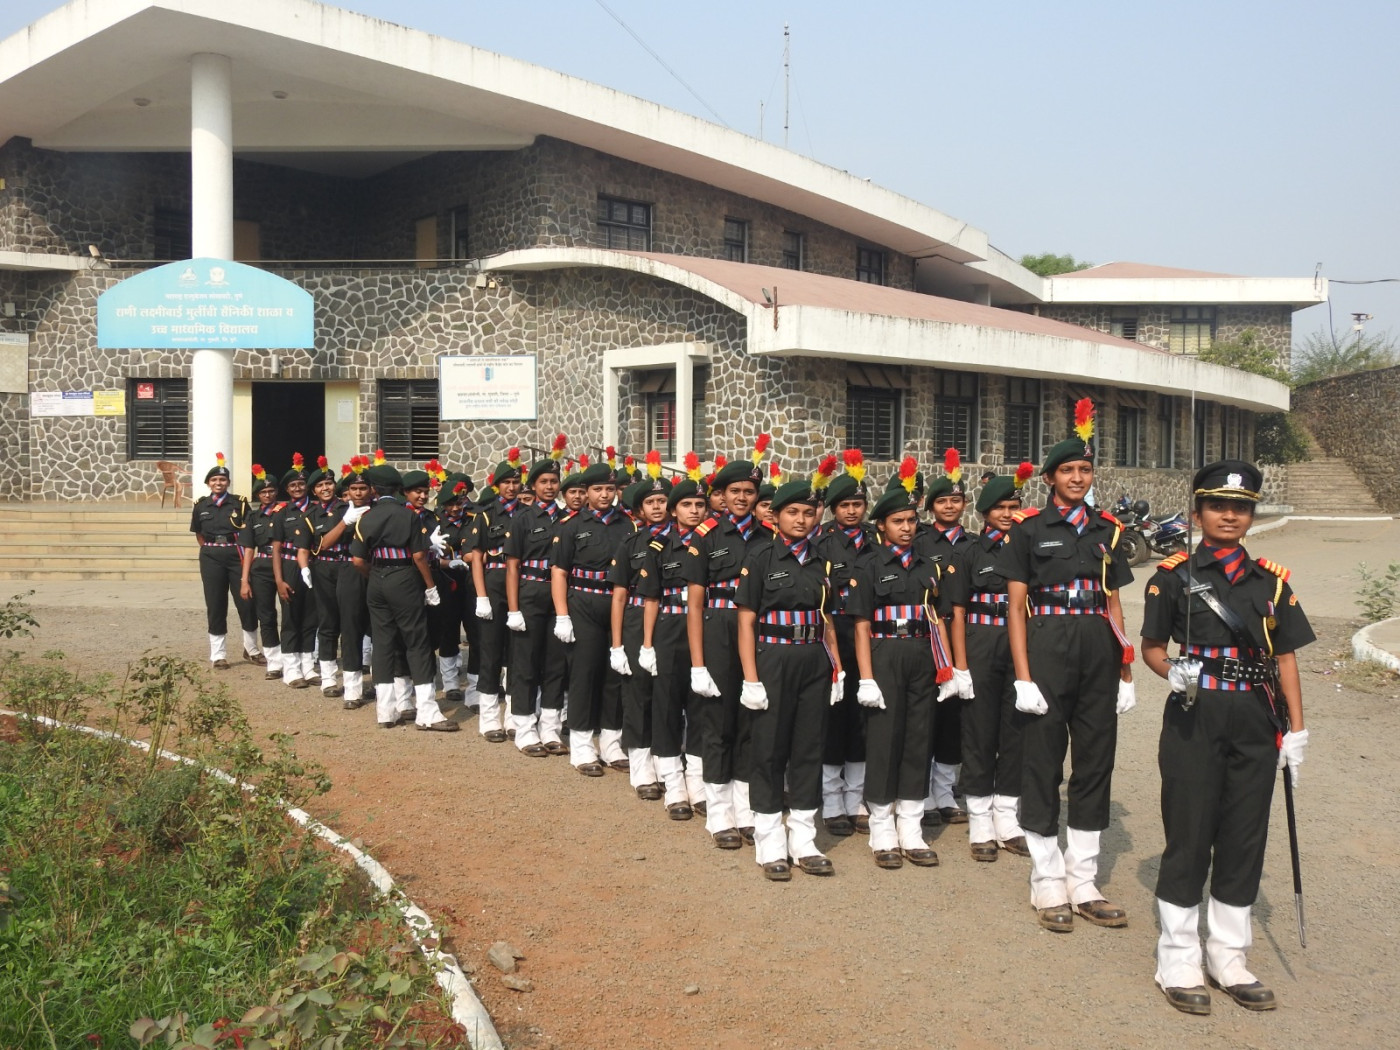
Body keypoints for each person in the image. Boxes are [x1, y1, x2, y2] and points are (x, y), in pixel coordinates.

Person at [1141, 460, 1313, 1015]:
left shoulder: (1272, 582)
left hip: (1257, 718)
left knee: (1244, 834)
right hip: (1196, 714)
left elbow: (1285, 659)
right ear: (1197, 514)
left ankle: (1228, 956)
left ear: (1251, 516)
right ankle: (1177, 957)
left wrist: (1297, 730)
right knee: (1190, 831)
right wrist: (1173, 671)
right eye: (1218, 506)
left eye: (1240, 507)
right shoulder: (1172, 577)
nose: (1230, 515)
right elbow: (1152, 648)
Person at [998, 399, 1136, 932]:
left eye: (1085, 469)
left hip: (1098, 647)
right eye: (1067, 470)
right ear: (1050, 478)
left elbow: (1114, 603)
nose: (1077, 477)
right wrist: (1023, 676)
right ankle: (1047, 879)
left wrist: (1125, 670)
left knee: (1096, 762)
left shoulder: (1108, 530)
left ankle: (1084, 880)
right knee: (1043, 761)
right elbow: (1015, 607)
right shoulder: (1029, 529)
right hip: (1048, 644)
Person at [735, 468, 843, 881]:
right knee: (769, 748)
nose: (801, 520)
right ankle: (769, 840)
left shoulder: (821, 560)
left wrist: (837, 668)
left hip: (813, 658)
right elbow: (746, 621)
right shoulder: (761, 558)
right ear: (776, 516)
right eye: (793, 512)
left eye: (808, 513)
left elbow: (827, 618)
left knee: (808, 747)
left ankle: (803, 839)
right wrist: (751, 677)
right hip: (774, 657)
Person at [848, 457, 955, 869]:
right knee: (884, 739)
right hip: (885, 652)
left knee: (918, 738)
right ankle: (881, 827)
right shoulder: (868, 566)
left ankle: (911, 826)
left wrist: (948, 669)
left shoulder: (930, 567)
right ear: (882, 526)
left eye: (911, 520)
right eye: (898, 521)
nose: (907, 527)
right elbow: (860, 626)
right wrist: (866, 677)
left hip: (921, 654)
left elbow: (938, 619)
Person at [682, 437, 776, 849]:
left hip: (756, 631)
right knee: (718, 723)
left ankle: (745, 809)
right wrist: (698, 664)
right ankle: (719, 813)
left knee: (750, 721)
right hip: (718, 628)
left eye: (749, 492)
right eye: (734, 491)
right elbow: (694, 603)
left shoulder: (769, 537)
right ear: (721, 495)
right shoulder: (705, 535)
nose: (741, 498)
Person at [947, 462, 1035, 861]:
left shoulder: (1029, 548)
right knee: (979, 732)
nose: (1007, 513)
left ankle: (1007, 818)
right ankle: (980, 820)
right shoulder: (968, 552)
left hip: (1019, 643)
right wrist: (960, 666)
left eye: (1013, 506)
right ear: (984, 512)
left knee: (1016, 730)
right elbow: (957, 611)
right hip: (981, 640)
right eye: (999, 507)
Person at [350, 461, 457, 732]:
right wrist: (430, 586)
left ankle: (386, 711)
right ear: (398, 489)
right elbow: (419, 556)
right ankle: (427, 711)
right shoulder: (408, 516)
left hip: (377, 578)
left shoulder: (365, 517)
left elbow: (358, 560)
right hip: (404, 577)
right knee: (417, 642)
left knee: (383, 642)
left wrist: (375, 576)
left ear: (374, 490)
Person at [638, 454, 710, 818]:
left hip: (705, 629)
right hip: (669, 628)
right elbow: (651, 599)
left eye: (700, 505)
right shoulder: (659, 547)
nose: (694, 511)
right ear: (673, 510)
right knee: (666, 705)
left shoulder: (714, 542)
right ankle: (673, 784)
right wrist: (647, 644)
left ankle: (697, 781)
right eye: (687, 505)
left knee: (701, 706)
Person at [551, 460, 634, 774]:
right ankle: (583, 746)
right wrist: (562, 615)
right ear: (586, 492)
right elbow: (559, 572)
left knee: (616, 675)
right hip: (583, 603)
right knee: (584, 674)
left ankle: (611, 744)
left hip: (618, 604)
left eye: (609, 489)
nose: (604, 495)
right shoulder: (571, 525)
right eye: (598, 489)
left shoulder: (628, 525)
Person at [813, 450, 876, 837]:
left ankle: (856, 798)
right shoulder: (822, 543)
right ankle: (832, 799)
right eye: (845, 505)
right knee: (833, 718)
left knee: (863, 720)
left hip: (869, 639)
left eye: (858, 504)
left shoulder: (876, 540)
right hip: (834, 637)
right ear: (834, 508)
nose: (852, 511)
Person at [917, 448, 976, 826]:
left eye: (956, 500)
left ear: (965, 504)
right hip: (928, 634)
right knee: (926, 714)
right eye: (942, 501)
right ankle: (921, 791)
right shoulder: (919, 541)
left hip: (965, 634)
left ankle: (945, 790)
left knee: (957, 717)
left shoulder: (975, 543)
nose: (950, 506)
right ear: (931, 506)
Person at [609, 454, 672, 800]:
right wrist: (617, 645)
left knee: (667, 694)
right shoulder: (630, 544)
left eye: (662, 500)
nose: (658, 507)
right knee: (638, 692)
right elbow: (619, 596)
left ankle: (665, 760)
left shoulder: (687, 542)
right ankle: (640, 764)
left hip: (672, 620)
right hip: (635, 619)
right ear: (640, 510)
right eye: (651, 502)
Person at [504, 438, 568, 756]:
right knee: (526, 664)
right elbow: (512, 567)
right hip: (530, 593)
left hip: (561, 598)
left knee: (556, 664)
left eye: (554, 481)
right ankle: (525, 728)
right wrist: (513, 608)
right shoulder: (522, 519)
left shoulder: (568, 518)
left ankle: (551, 728)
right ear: (533, 485)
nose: (549, 487)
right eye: (543, 481)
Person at [468, 449, 526, 742]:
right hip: (493, 583)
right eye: (506, 483)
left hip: (522, 586)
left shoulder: (528, 514)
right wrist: (481, 596)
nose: (511, 487)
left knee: (518, 652)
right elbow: (477, 557)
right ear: (497, 485)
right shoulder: (486, 515)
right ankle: (490, 717)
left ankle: (514, 715)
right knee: (490, 651)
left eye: (516, 482)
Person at [190, 452, 259, 668]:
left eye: (222, 479)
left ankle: (252, 649)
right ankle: (218, 654)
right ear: (208, 484)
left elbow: (249, 532)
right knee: (215, 603)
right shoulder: (201, 506)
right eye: (214, 480)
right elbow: (199, 534)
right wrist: (212, 550)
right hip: (211, 556)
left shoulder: (240, 503)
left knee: (247, 601)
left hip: (236, 555)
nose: (218, 483)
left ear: (228, 482)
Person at [314, 458, 373, 709]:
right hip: (343, 569)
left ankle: (377, 683)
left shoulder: (377, 509)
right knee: (342, 626)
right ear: (347, 491)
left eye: (362, 488)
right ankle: (346, 686)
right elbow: (324, 544)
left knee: (372, 628)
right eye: (353, 489)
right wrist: (345, 521)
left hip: (372, 569)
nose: (357, 493)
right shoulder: (338, 511)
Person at [304, 456, 350, 697]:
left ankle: (352, 679)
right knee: (327, 622)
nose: (325, 488)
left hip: (348, 566)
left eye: (329, 484)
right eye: (320, 485)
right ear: (314, 490)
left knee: (351, 622)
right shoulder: (310, 515)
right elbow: (317, 545)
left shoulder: (347, 508)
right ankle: (329, 678)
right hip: (323, 568)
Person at [272, 454, 317, 689]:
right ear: (287, 489)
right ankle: (291, 669)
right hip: (290, 565)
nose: (297, 488)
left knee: (311, 616)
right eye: (293, 485)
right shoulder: (282, 513)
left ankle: (307, 666)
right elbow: (276, 549)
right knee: (290, 617)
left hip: (314, 565)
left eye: (301, 484)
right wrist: (279, 580)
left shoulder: (317, 510)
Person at [238, 465, 284, 680]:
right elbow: (249, 549)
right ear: (258, 495)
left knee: (290, 614)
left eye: (271, 491)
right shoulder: (253, 517)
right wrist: (244, 580)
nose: (267, 495)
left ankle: (291, 658)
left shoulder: (285, 512)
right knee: (266, 615)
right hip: (262, 567)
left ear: (276, 492)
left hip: (285, 564)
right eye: (263, 492)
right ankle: (273, 662)